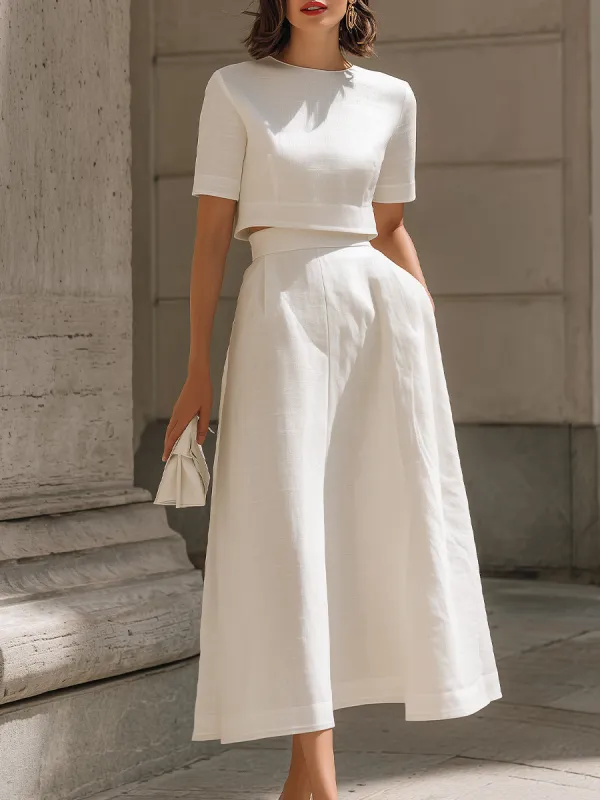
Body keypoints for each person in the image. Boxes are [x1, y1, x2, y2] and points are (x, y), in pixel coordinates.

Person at [162, 1, 502, 798]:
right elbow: (212, 237)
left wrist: (427, 334)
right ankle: (318, 773)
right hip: (279, 314)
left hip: (379, 325)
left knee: (365, 527)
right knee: (284, 533)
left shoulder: (392, 98)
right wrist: (196, 369)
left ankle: (306, 782)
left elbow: (388, 227)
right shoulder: (234, 88)